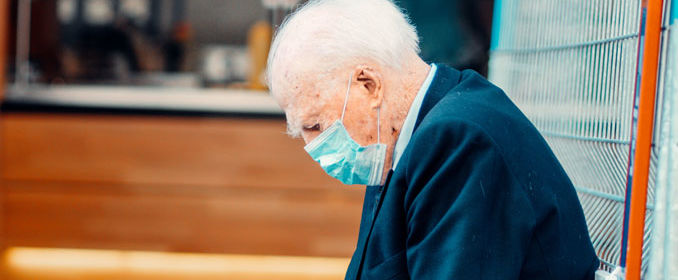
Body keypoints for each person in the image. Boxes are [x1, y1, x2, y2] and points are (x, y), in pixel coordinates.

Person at [266, 0, 599, 279]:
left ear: (368, 84)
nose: (313, 147)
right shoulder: (398, 137)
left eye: (315, 125)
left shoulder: (457, 142)